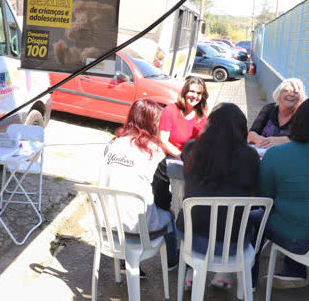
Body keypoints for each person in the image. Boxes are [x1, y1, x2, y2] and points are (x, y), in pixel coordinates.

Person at [176, 103, 261, 290]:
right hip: (233, 246)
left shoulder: (192, 149)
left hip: (192, 240)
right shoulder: (251, 157)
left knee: (192, 214)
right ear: (242, 128)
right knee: (252, 218)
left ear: (209, 125)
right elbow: (253, 196)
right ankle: (225, 274)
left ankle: (192, 272)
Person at [258, 97, 309, 288]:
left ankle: (246, 276)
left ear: (298, 121)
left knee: (255, 217)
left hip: (293, 239)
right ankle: (294, 270)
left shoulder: (277, 154)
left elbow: (264, 198)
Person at [98, 99, 179, 275]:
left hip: (106, 224)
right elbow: (161, 195)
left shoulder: (112, 144)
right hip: (138, 229)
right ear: (150, 122)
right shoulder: (155, 151)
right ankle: (172, 260)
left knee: (124, 201)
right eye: (158, 120)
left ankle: (123, 261)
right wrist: (167, 209)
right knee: (169, 216)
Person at [159, 76, 209, 158]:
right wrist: (182, 157)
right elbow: (163, 140)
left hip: (192, 160)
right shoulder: (170, 110)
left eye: (199, 93)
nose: (195, 96)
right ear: (185, 93)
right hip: (172, 157)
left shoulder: (201, 115)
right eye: (192, 91)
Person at [248, 78, 306, 148]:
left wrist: (282, 140)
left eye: (296, 92)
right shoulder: (269, 108)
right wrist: (265, 142)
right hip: (263, 153)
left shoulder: (302, 115)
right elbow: (251, 133)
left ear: (300, 97)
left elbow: (304, 139)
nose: (291, 94)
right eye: (286, 91)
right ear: (279, 94)